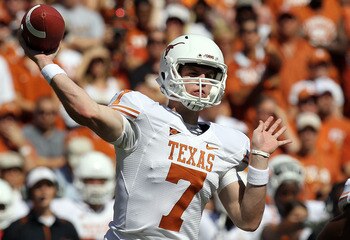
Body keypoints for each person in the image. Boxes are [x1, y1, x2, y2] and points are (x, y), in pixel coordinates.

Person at [18, 32, 291, 240]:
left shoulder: (226, 142)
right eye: (193, 73)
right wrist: (46, 63)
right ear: (170, 72)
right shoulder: (144, 114)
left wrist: (259, 158)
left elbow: (248, 219)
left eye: (209, 75)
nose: (201, 82)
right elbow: (87, 111)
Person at [51, 151, 115, 239]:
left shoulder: (118, 209)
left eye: (101, 180)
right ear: (79, 180)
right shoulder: (62, 208)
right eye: (90, 180)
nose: (96, 186)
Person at [2, 166, 79, 240]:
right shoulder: (17, 228)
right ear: (29, 192)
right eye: (38, 186)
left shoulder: (67, 227)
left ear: (56, 190)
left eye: (48, 185)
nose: (44, 191)